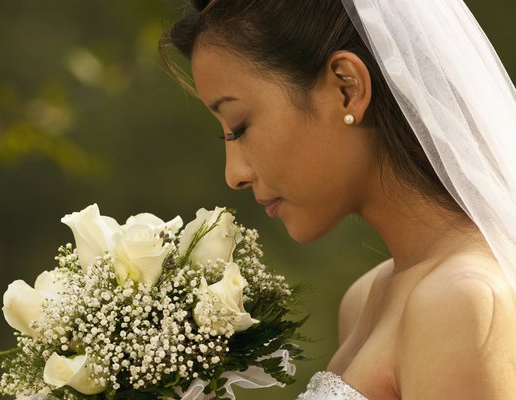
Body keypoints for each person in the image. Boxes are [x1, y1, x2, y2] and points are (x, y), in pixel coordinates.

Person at [160, 0, 516, 398]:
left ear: (348, 89)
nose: (234, 175)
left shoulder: (462, 300)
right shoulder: (365, 300)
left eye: (240, 127)